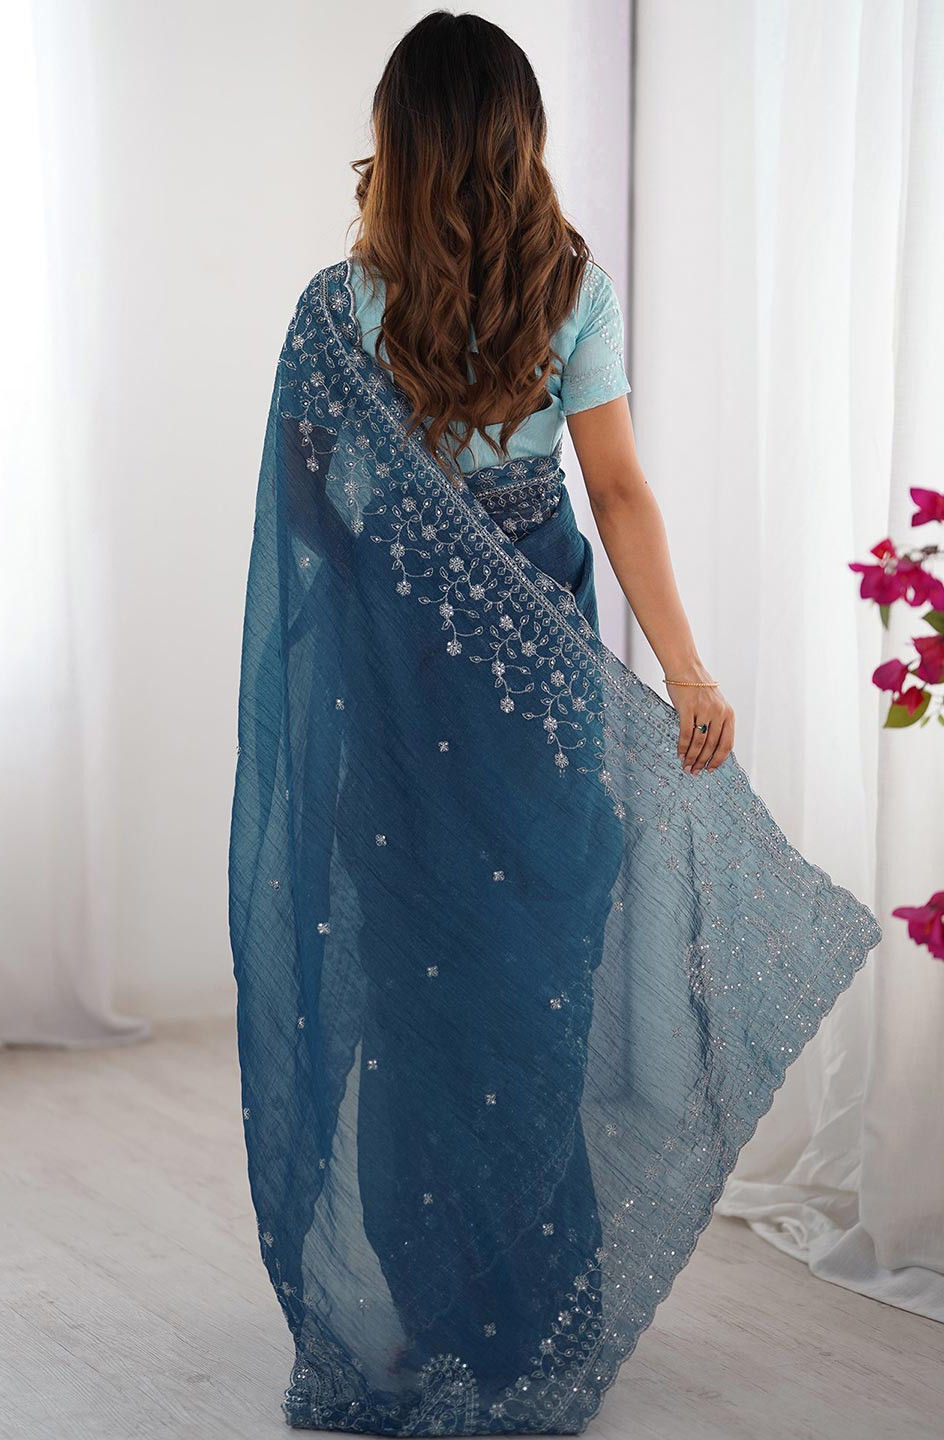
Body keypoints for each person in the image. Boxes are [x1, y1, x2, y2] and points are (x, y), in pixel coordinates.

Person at [229, 12, 880, 1435]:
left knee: (421, 1005)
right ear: (520, 138)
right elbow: (618, 490)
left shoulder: (339, 311)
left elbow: (310, 530)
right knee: (535, 1001)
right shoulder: (566, 288)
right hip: (537, 698)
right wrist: (685, 673)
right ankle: (532, 1319)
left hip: (405, 699)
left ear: (398, 141)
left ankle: (437, 1323)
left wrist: (410, 583)